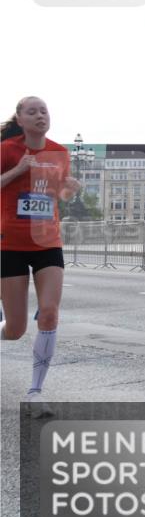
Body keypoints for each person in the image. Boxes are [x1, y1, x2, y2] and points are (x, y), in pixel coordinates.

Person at [1, 96, 81, 417]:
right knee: (17, 328)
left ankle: (35, 393)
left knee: (49, 313)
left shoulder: (60, 153)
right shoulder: (7, 150)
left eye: (43, 111)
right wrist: (18, 170)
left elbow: (56, 195)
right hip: (11, 243)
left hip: (48, 241)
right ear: (19, 119)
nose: (39, 116)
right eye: (31, 112)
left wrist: (69, 190)